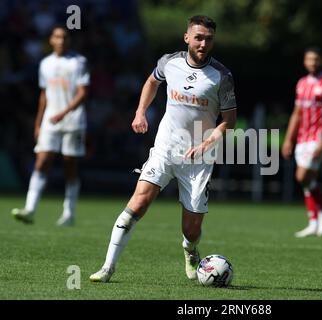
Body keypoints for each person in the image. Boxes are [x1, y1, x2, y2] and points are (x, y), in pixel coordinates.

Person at [89, 15, 237, 282]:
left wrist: (205, 144)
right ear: (187, 37)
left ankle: (190, 250)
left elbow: (229, 122)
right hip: (166, 147)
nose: (204, 43)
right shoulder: (170, 62)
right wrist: (140, 113)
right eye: (199, 37)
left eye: (209, 39)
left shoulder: (222, 76)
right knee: (139, 201)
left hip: (199, 158)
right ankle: (108, 267)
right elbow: (151, 82)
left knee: (191, 229)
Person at [12, 26, 90, 226]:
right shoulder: (45, 63)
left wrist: (63, 113)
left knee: (69, 164)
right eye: (57, 37)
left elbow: (83, 93)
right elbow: (43, 96)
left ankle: (69, 213)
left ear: (69, 40)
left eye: (64, 37)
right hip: (50, 121)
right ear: (51, 40)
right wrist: (38, 123)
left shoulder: (79, 62)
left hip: (73, 121)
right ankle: (29, 209)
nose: (61, 40)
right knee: (42, 161)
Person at [282, 47, 322, 238]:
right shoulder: (301, 83)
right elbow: (296, 114)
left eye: (316, 59)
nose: (312, 62)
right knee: (309, 180)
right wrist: (288, 139)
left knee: (302, 176)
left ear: (321, 60)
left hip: (318, 138)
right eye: (309, 59)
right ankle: (314, 221)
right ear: (305, 61)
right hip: (302, 138)